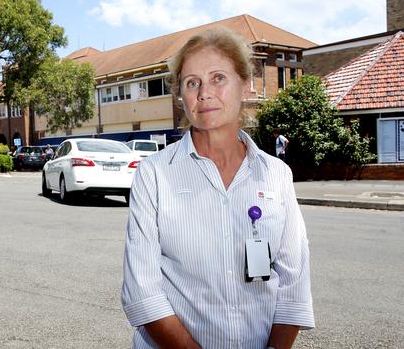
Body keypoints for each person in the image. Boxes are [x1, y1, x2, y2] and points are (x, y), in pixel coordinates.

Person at [122, 27, 314, 349]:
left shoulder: (276, 174)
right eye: (192, 82)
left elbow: (293, 283)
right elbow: (142, 291)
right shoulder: (153, 174)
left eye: (218, 78)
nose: (204, 93)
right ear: (180, 95)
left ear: (245, 83)